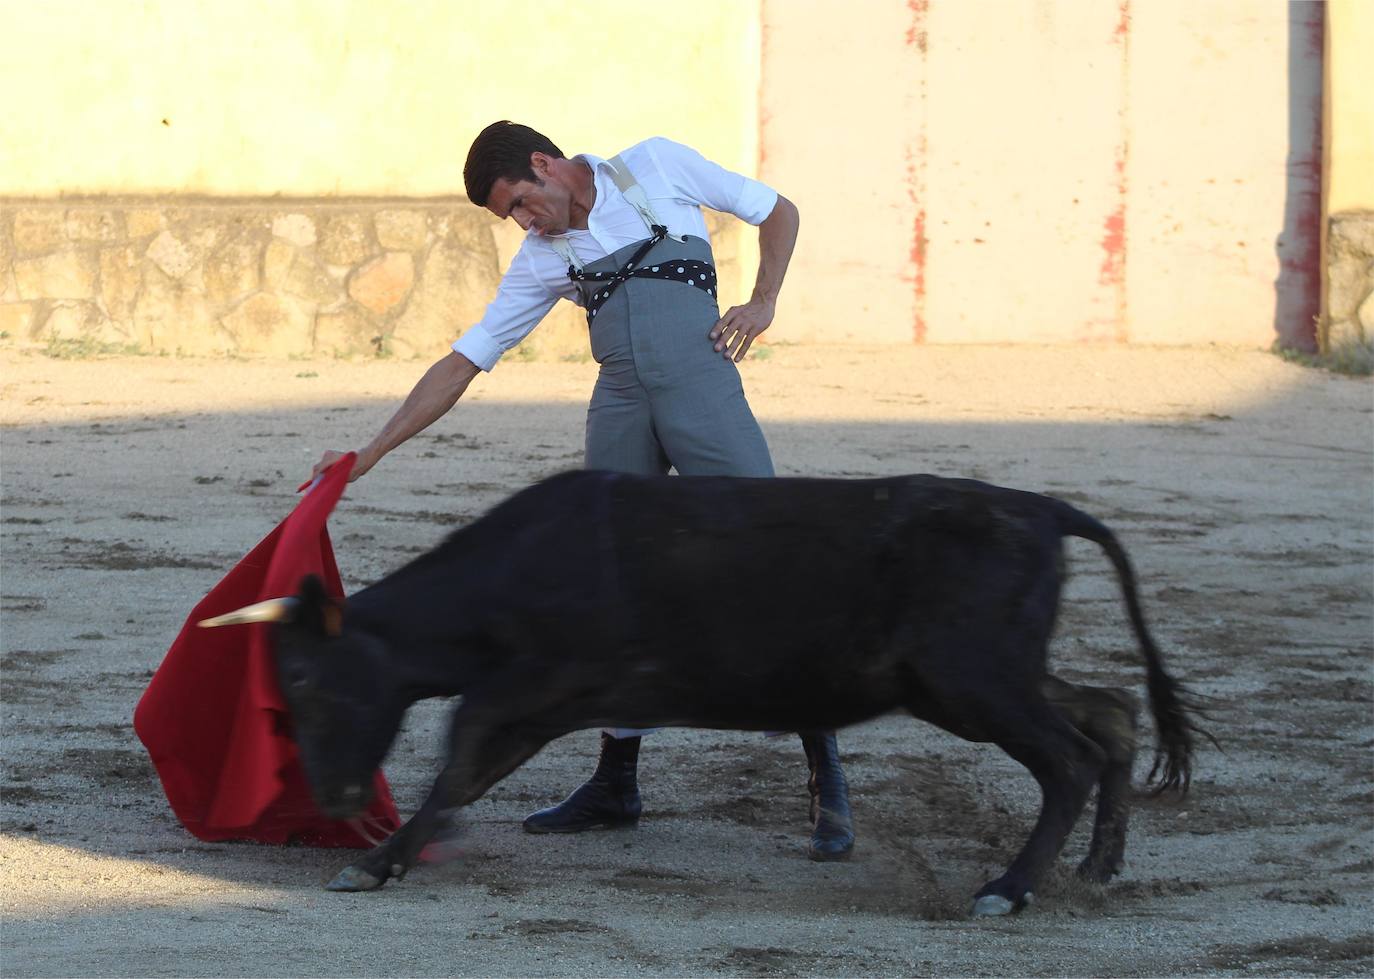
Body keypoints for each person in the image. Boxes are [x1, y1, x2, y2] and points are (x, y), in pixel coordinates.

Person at [310, 121, 854, 861]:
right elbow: (465, 359)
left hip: (703, 390)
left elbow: (777, 210)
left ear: (545, 165)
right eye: (513, 218)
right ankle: (615, 782)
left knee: (769, 563)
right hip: (622, 404)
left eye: (523, 205)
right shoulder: (542, 260)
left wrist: (763, 300)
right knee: (608, 588)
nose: (525, 224)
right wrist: (370, 450)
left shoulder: (659, 165)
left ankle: (825, 771)